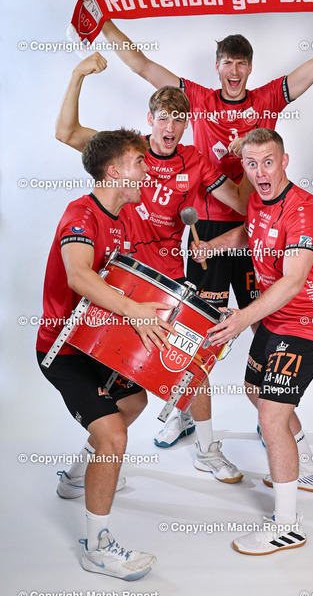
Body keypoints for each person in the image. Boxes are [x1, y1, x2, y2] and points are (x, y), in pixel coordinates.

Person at [78, 0, 313, 450]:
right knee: (198, 330)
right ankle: (189, 419)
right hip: (209, 234)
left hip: (260, 232)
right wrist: (104, 18)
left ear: (250, 68)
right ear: (217, 67)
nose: (234, 71)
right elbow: (142, 65)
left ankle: (273, 413)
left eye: (241, 63)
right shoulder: (195, 99)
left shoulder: (267, 97)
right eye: (227, 62)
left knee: (265, 320)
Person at [56, 54, 251, 482]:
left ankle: (206, 449)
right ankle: (80, 470)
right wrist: (77, 75)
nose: (170, 127)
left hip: (168, 280)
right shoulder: (127, 153)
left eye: (179, 120)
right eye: (163, 117)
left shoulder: (196, 161)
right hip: (120, 277)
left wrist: (248, 152)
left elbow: (242, 203)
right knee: (113, 386)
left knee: (193, 361)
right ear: (150, 119)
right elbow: (66, 132)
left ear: (186, 125)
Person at [36, 129, 176, 579]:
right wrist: (135, 312)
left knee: (133, 402)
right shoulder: (81, 214)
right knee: (114, 436)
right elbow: (79, 275)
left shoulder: (126, 217)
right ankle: (97, 548)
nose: (147, 170)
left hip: (98, 343)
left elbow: (139, 276)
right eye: (139, 162)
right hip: (63, 348)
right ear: (114, 172)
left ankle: (77, 476)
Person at [192, 128, 313, 554]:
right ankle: (306, 464)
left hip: (307, 321)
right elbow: (249, 232)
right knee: (255, 391)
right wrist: (214, 246)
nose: (260, 173)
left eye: (268, 162)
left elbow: (293, 281)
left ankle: (287, 526)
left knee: (272, 418)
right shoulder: (257, 198)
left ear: (285, 161)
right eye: (252, 164)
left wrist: (241, 319)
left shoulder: (304, 210)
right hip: (275, 317)